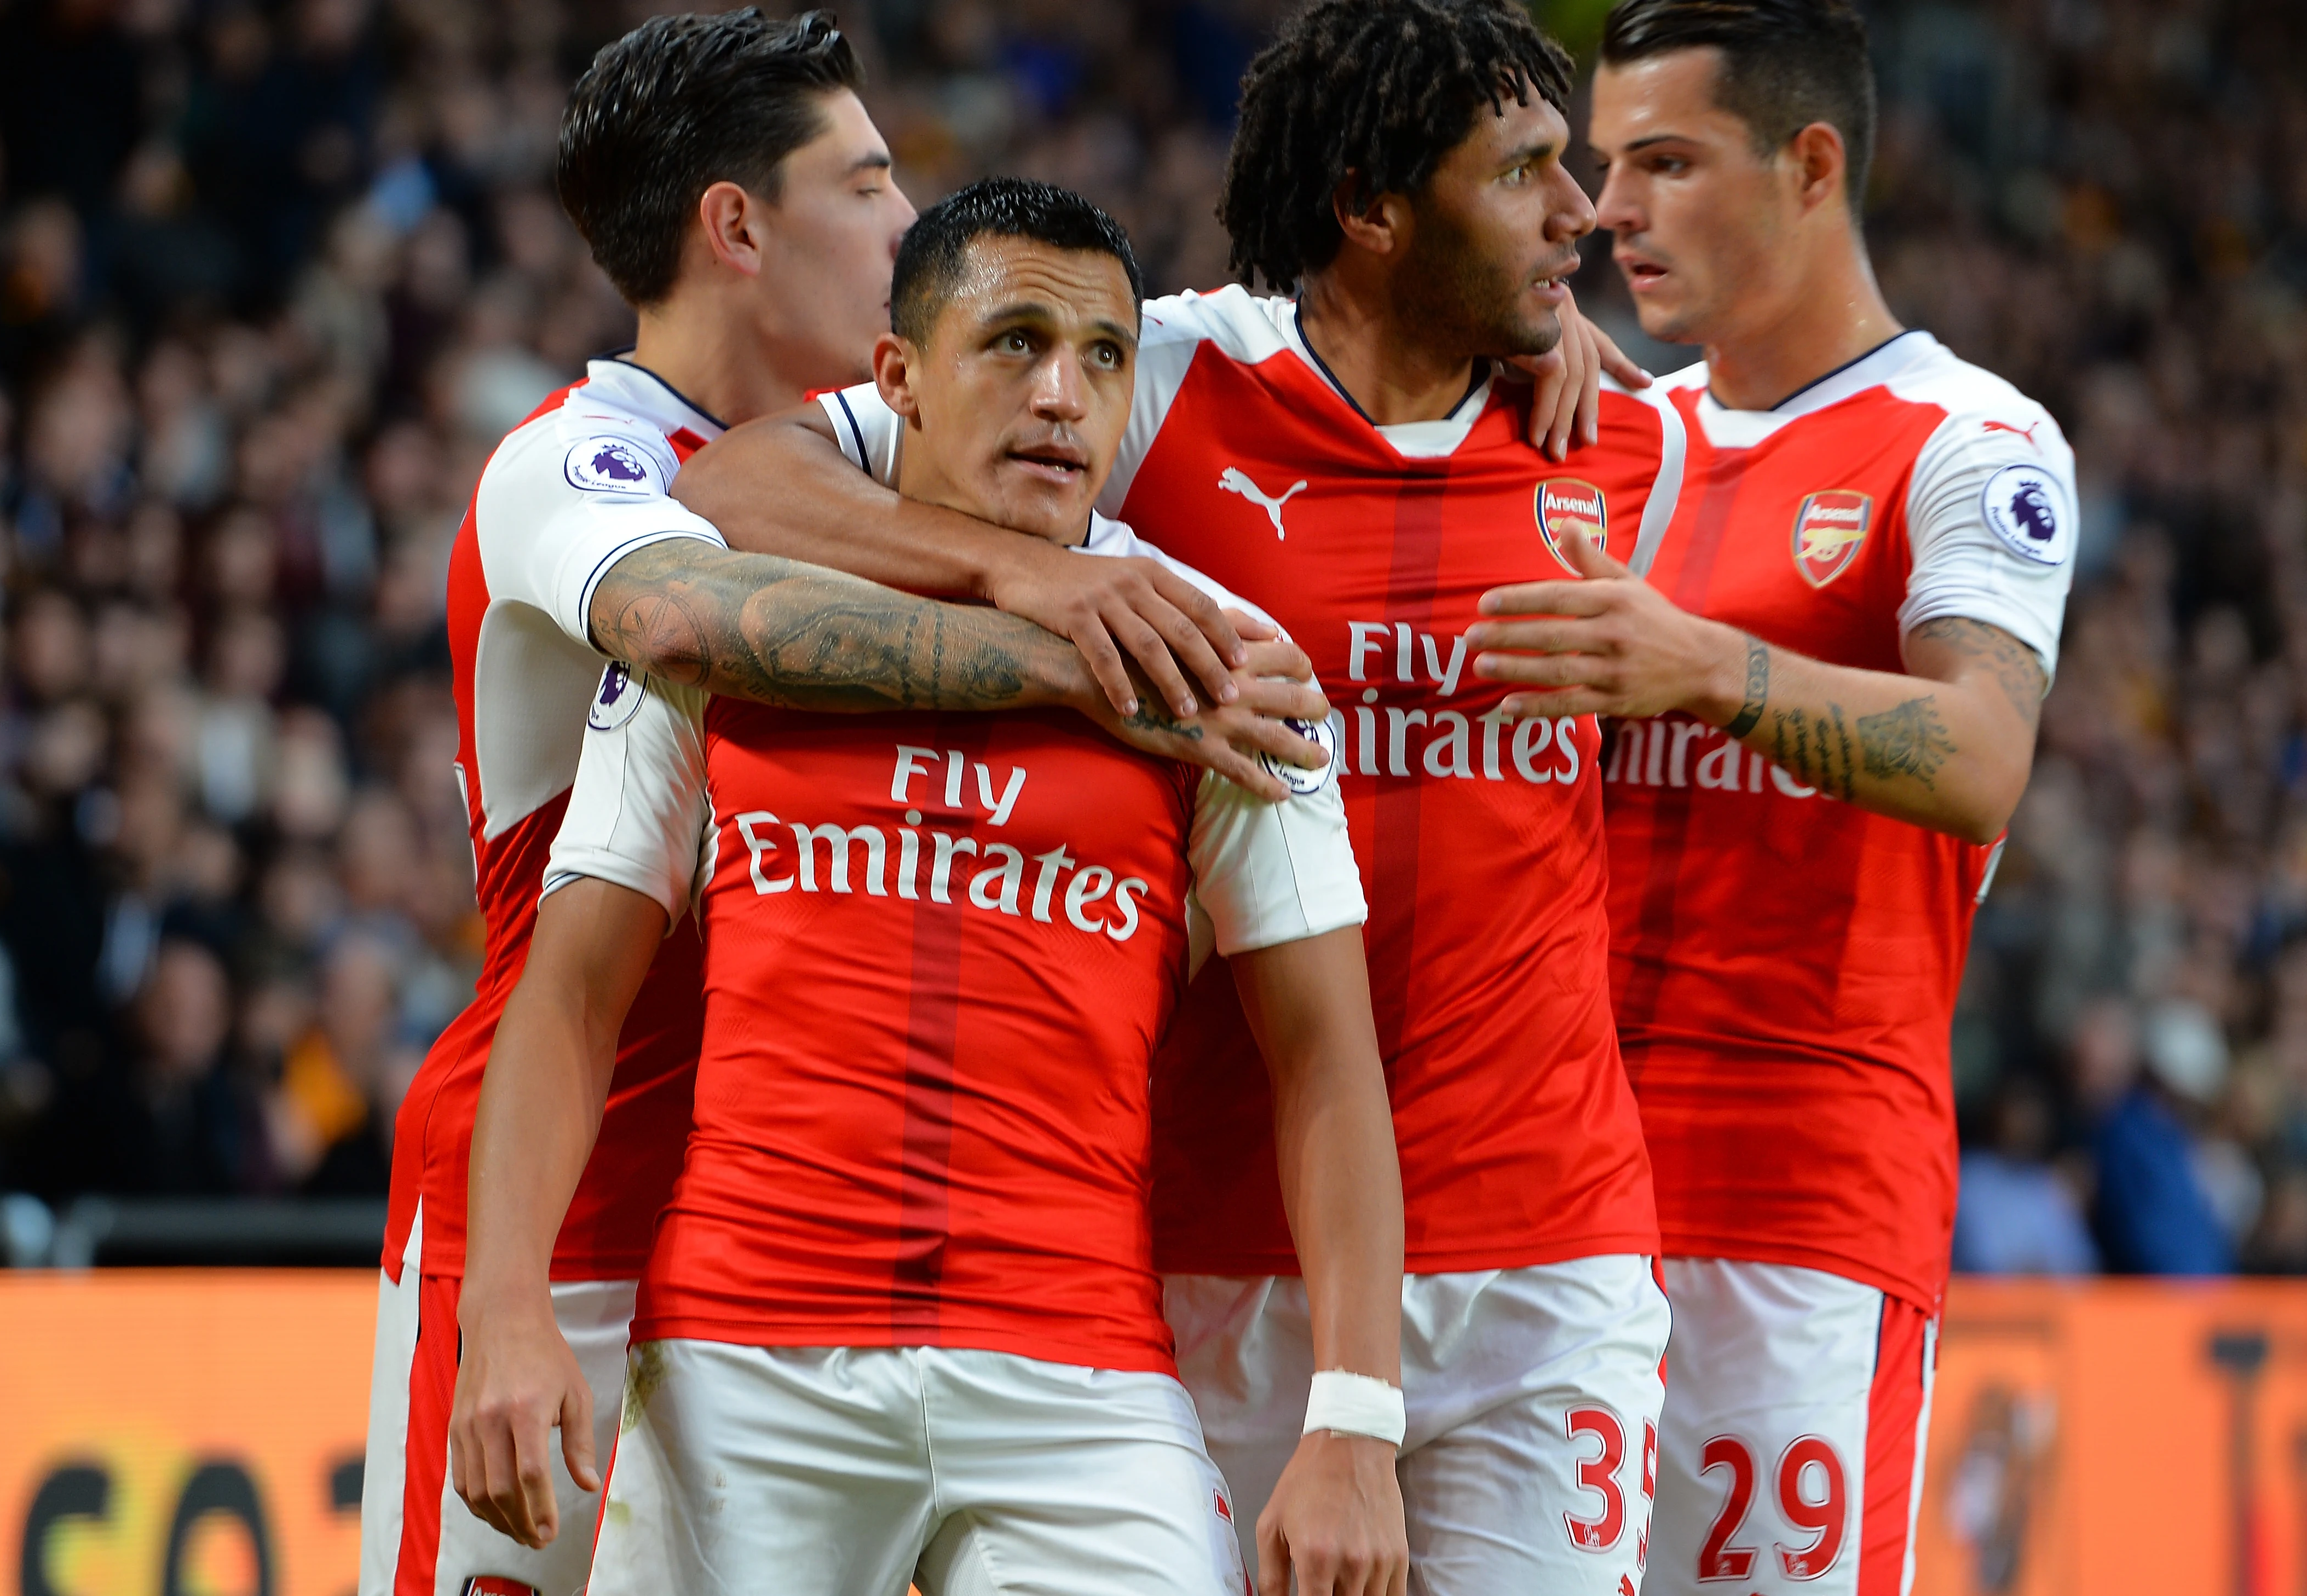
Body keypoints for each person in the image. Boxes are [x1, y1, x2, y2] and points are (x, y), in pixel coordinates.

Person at [679, 2, 1684, 1587]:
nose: (1590, 214)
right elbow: (740, 480)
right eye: (1529, 174)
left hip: (1547, 1249)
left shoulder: (1631, 441)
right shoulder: (1152, 377)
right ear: (1372, 210)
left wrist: (1544, 304)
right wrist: (1037, 585)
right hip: (1214, 1243)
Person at [358, 15, 1333, 1596]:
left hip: (824, 1252)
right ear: (738, 228)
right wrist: (1069, 625)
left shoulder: (901, 456)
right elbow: (691, 617)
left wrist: (1551, 339)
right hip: (567, 1206)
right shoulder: (574, 459)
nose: (909, 225)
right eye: (872, 185)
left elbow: (1244, 336)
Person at [1460, 2, 2078, 1589]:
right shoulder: (1600, 440)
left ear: (1812, 165)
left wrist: (1711, 671)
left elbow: (1980, 753)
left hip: (1798, 1200)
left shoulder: (1968, 437)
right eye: (1606, 167)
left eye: (1667, 162)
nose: (1612, 209)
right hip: (1551, 1196)